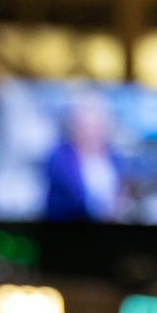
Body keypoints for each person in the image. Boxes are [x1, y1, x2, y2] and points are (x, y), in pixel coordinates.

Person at [44, 92, 124, 222]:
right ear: (74, 128)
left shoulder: (113, 157)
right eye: (85, 127)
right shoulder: (60, 158)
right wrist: (103, 210)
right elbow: (68, 202)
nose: (91, 133)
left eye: (96, 127)